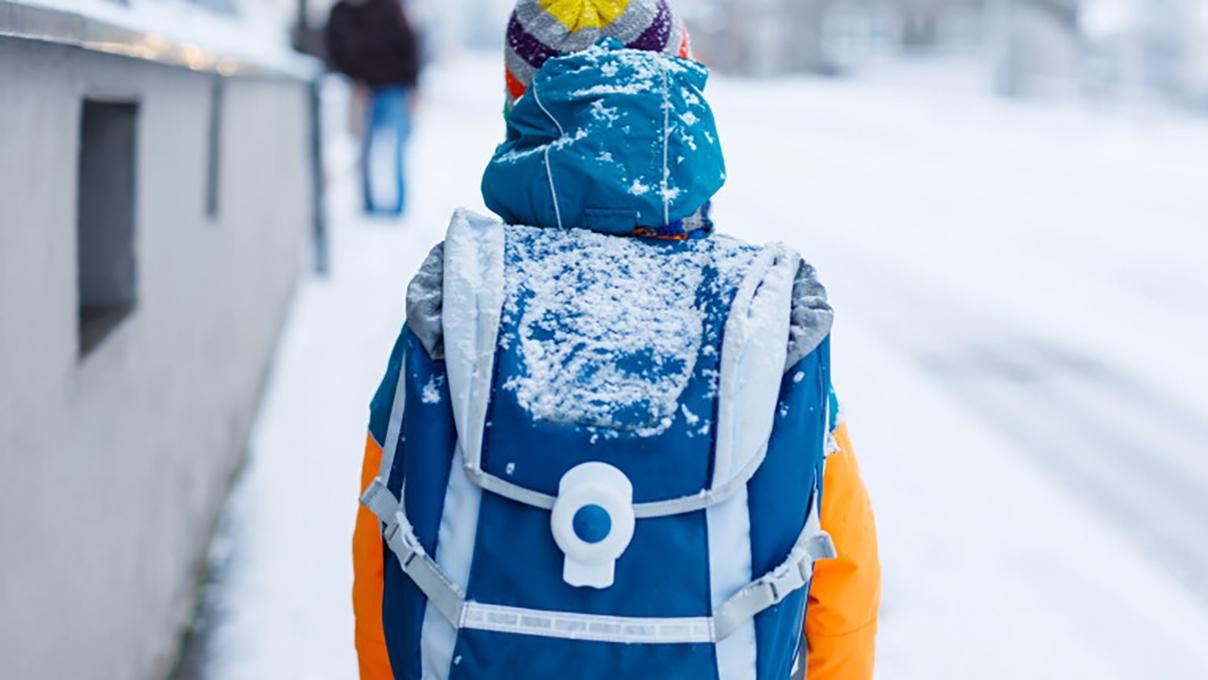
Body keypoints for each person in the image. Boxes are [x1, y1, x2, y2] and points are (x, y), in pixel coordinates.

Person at [352, 2, 880, 678]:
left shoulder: (461, 299)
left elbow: (385, 555)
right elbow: (844, 577)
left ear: (521, 108)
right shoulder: (758, 316)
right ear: (678, 88)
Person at [324, 0, 421, 217]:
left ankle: (399, 208)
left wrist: (413, 87)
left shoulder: (389, 6)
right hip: (363, 91)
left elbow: (410, 45)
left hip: (396, 88)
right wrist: (355, 80)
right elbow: (334, 52)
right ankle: (368, 206)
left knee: (397, 150)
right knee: (364, 150)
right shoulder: (340, 13)